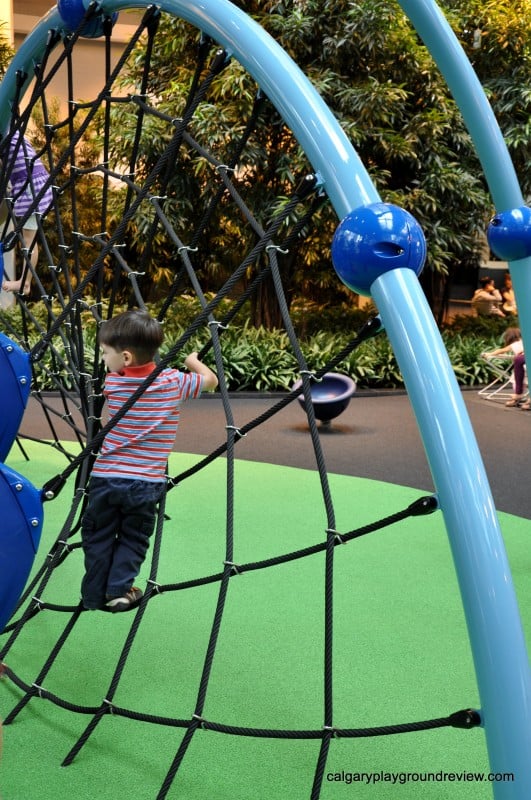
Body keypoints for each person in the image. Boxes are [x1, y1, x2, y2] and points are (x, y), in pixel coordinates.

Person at [80, 309, 218, 612]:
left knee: (98, 534)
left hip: (105, 478)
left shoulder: (113, 384)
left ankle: (92, 594)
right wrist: (192, 361)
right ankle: (118, 591)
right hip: (145, 483)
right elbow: (211, 381)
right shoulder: (173, 382)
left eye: (105, 353)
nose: (103, 359)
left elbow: (111, 396)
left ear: (126, 358)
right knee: (134, 536)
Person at [1, 130, 53, 295]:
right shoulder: (12, 129)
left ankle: (25, 283)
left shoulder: (6, 133)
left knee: (29, 240)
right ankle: (25, 281)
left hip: (30, 187)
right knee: (28, 239)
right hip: (32, 183)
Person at [482, 327, 528, 408]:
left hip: (521, 366)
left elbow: (501, 350)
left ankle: (518, 395)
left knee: (516, 380)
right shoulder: (524, 342)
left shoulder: (513, 345)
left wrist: (489, 354)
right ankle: (520, 396)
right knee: (523, 380)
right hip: (524, 365)